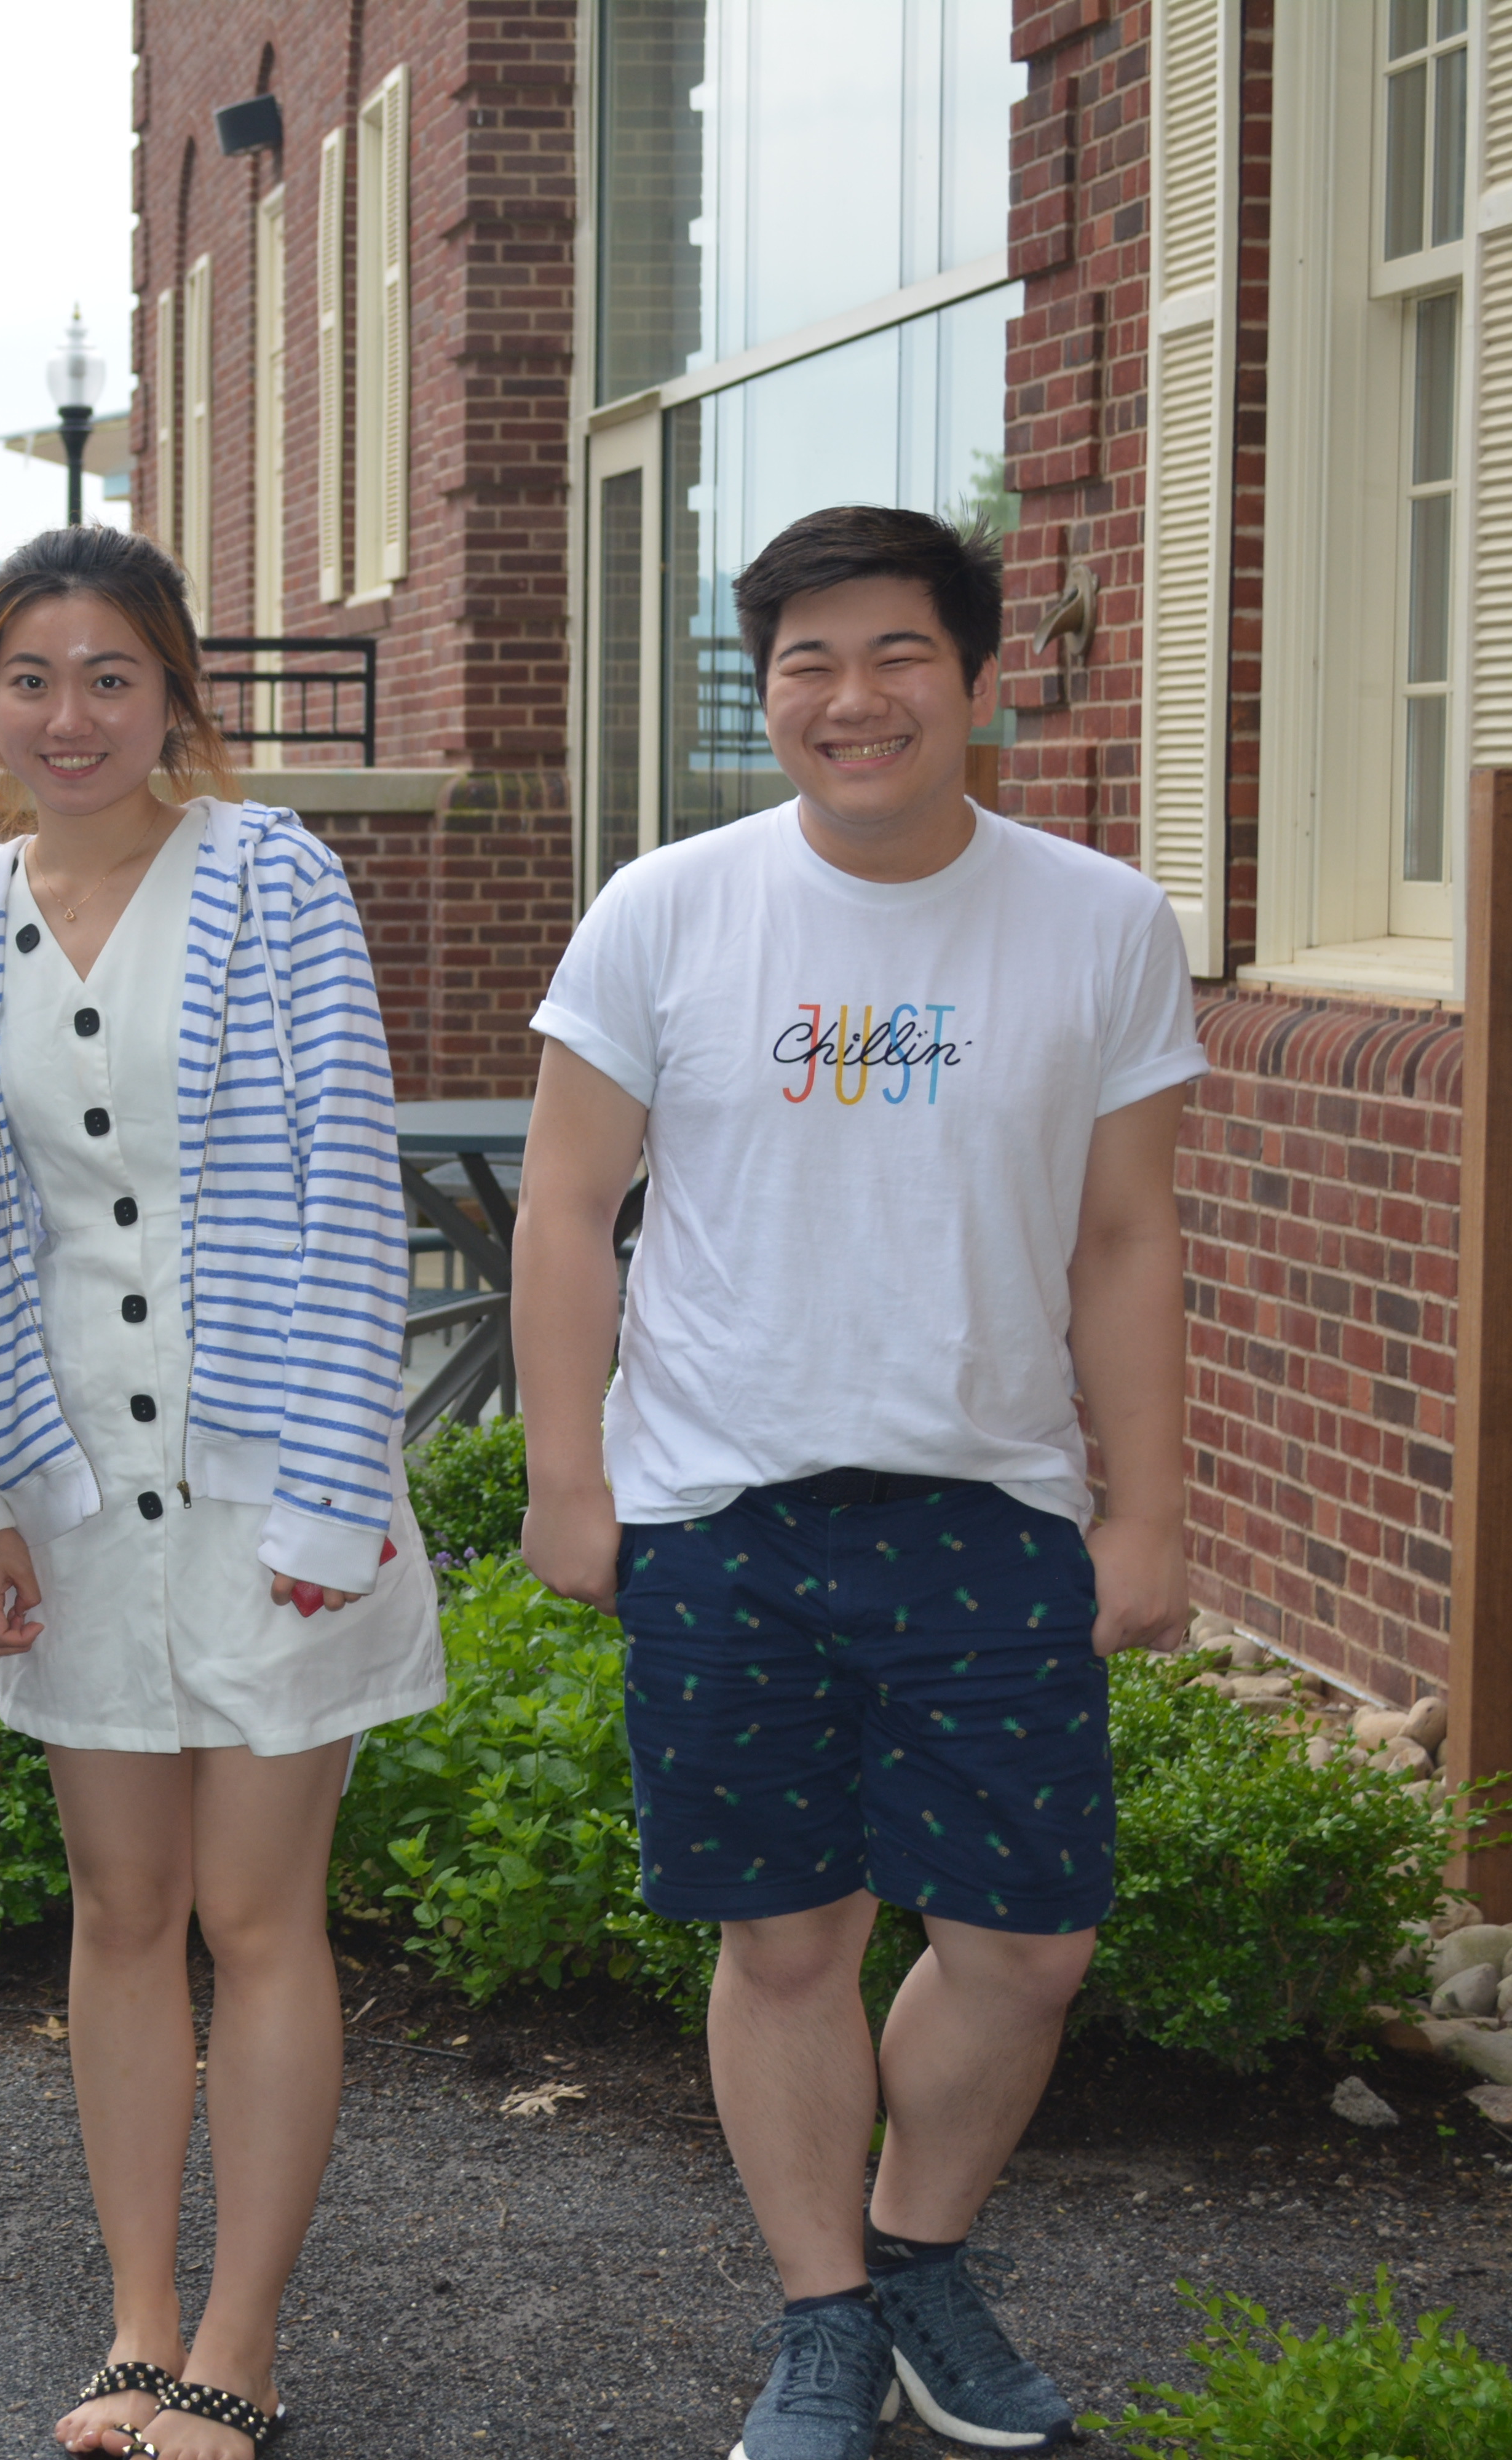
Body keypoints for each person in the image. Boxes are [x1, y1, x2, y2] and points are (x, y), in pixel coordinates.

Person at [513, 505, 1199, 2460]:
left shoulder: (1097, 922)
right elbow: (570, 1208)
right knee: (788, 1938)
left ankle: (910, 2250)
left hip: (989, 1502)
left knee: (1026, 1946)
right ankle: (826, 2313)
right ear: (767, 694)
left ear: (978, 681)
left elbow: (1128, 1240)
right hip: (729, 1510)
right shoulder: (669, 906)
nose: (851, 698)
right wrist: (576, 1482)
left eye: (897, 654)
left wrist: (1141, 1510)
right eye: (805, 663)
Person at [0, 526, 437, 2460]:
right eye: (31, 679)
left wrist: (324, 1500)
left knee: (254, 1910)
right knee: (122, 1909)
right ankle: (135, 2330)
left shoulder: (275, 879)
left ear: (174, 699)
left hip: (277, 1491)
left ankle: (241, 2337)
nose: (71, 715)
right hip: (72, 1498)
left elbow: (347, 1191)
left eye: (111, 675)